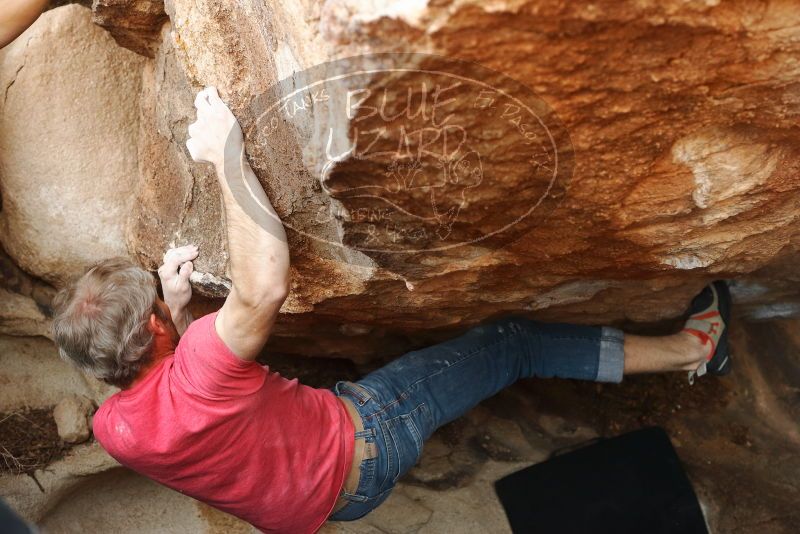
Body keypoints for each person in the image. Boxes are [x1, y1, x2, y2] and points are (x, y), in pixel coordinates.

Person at [51, 88, 732, 533]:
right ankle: (693, 351)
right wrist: (224, 149)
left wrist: (177, 307)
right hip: (371, 435)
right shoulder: (199, 364)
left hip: (329, 507)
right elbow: (262, 287)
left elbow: (188, 395)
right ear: (150, 331)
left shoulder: (115, 429)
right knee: (514, 342)